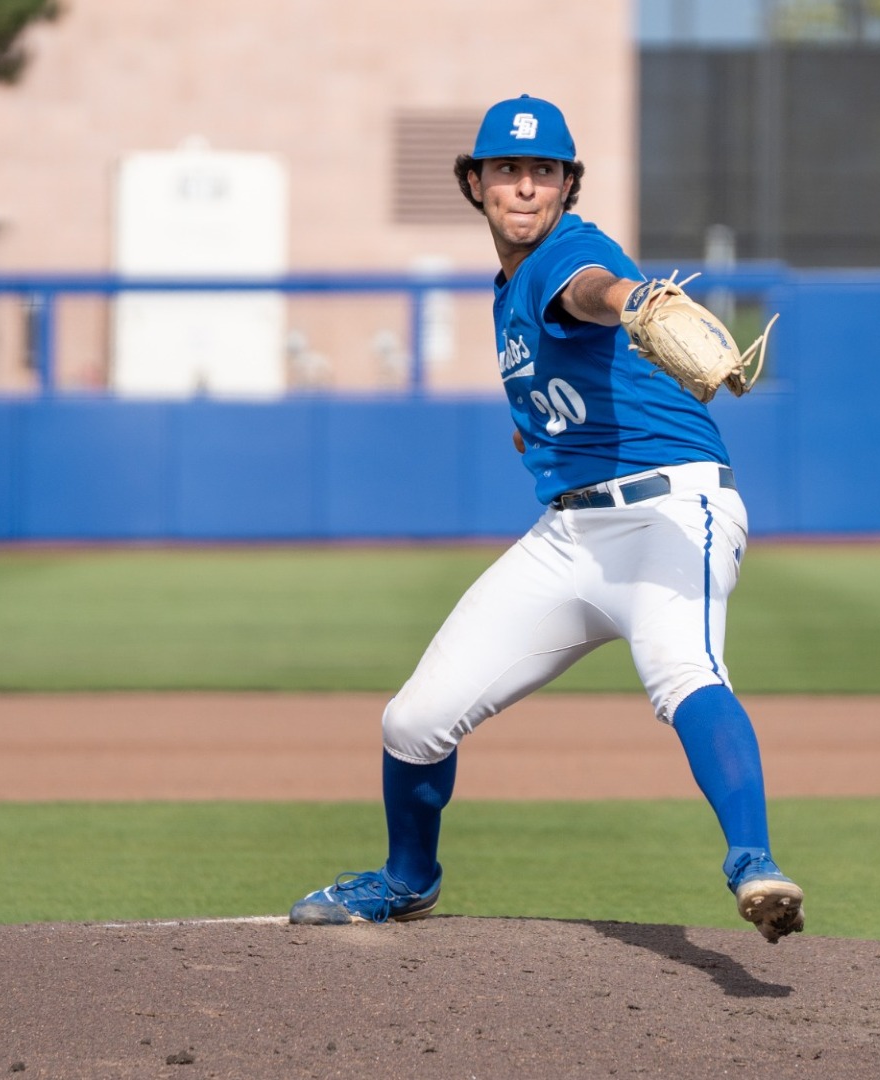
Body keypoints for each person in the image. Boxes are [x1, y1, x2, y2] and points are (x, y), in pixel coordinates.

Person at [288, 94, 804, 943]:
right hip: (570, 536)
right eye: (508, 171)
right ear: (476, 184)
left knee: (684, 673)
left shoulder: (573, 250)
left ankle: (754, 865)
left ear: (568, 186)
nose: (526, 188)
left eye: (544, 173)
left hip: (673, 510)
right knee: (412, 722)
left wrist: (635, 299)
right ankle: (408, 878)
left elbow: (594, 290)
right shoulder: (507, 293)